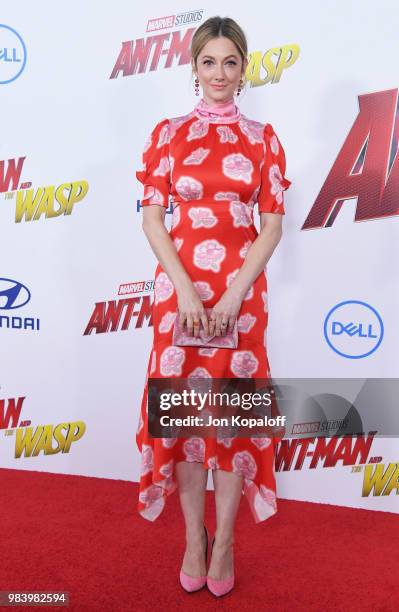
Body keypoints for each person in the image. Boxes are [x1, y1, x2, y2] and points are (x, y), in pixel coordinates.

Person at [135, 15, 291, 597]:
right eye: (208, 62)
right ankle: (193, 539)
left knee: (234, 422)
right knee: (185, 420)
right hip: (179, 293)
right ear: (193, 67)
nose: (219, 74)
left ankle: (223, 541)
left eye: (230, 62)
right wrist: (183, 288)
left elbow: (271, 228)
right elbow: (153, 219)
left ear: (244, 69)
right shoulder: (167, 134)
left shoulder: (263, 138)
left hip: (242, 297)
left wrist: (231, 295)